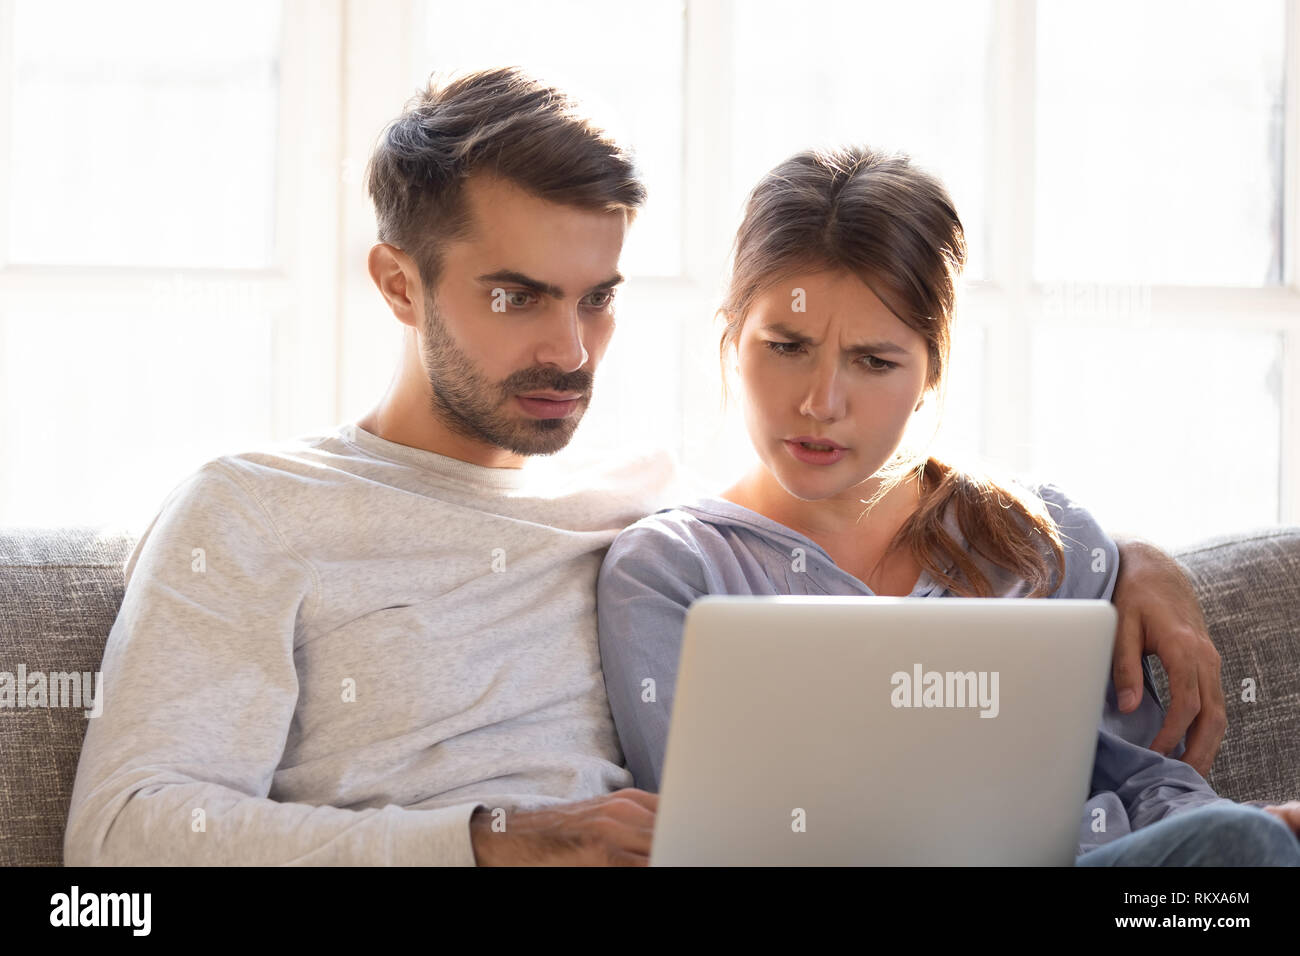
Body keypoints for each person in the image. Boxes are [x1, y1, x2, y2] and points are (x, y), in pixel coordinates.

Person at [65, 68, 1232, 868]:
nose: (571, 353)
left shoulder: (635, 501)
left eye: (598, 298)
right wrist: (490, 839)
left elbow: (880, 517)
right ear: (396, 283)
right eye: (516, 296)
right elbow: (114, 845)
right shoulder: (253, 508)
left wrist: (1135, 559)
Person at [595, 144, 1300, 865]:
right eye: (786, 346)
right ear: (730, 344)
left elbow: (1149, 787)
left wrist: (1250, 835)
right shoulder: (670, 571)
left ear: (933, 369)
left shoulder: (1041, 543)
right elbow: (699, 838)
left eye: (874, 361)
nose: (820, 402)